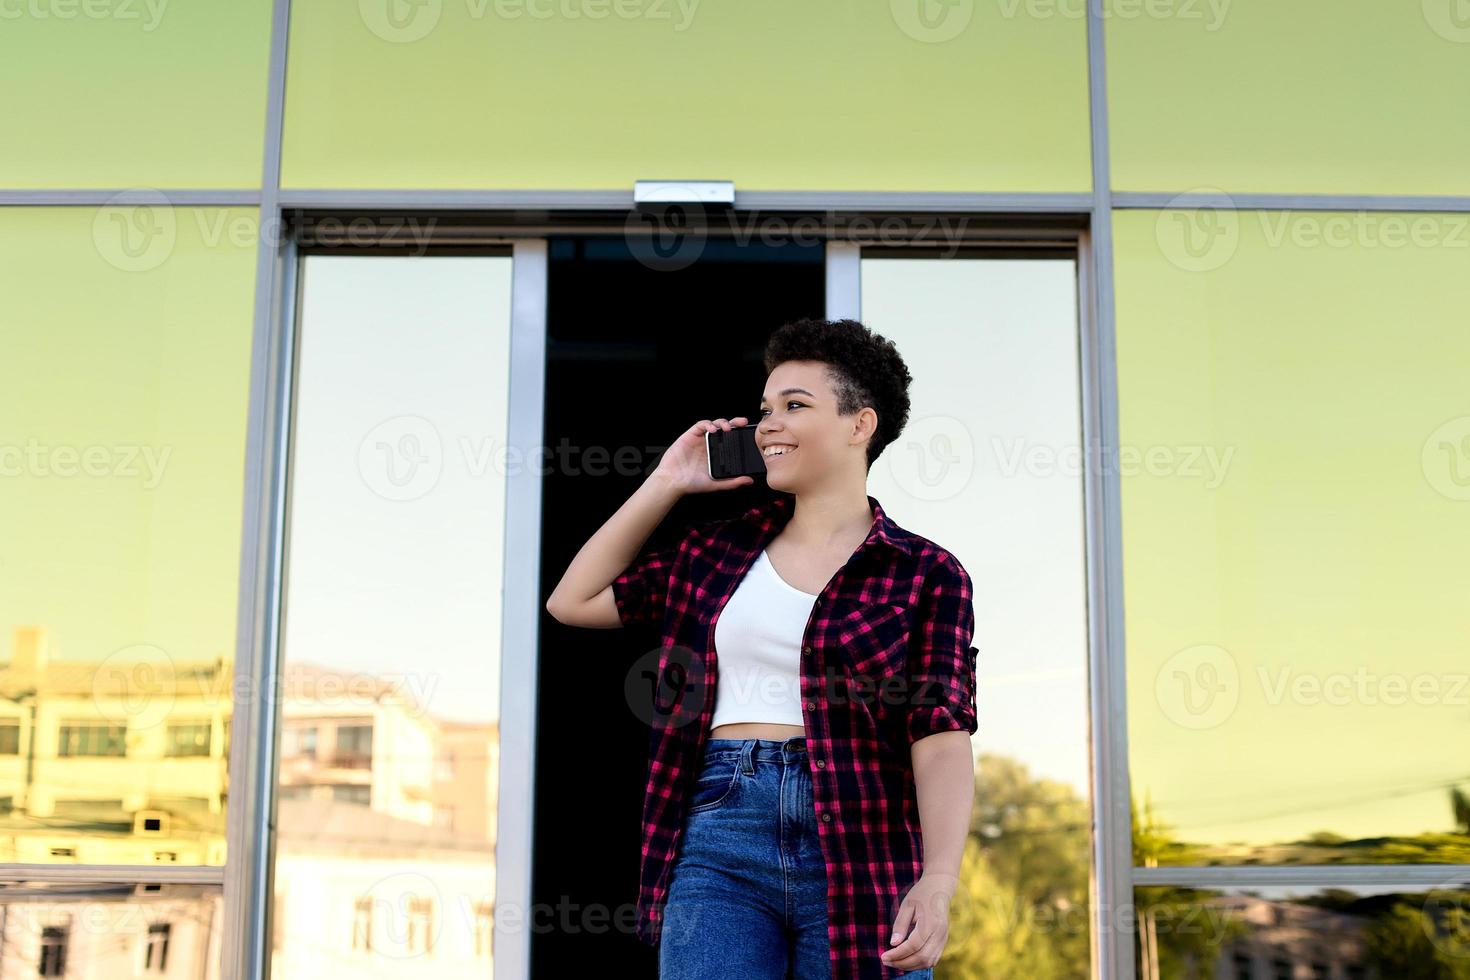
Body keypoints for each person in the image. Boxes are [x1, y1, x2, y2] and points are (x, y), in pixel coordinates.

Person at [547, 318, 978, 979]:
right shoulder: (713, 554)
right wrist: (667, 481)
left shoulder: (925, 572)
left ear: (860, 425)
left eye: (795, 407)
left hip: (866, 836)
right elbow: (572, 601)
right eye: (765, 410)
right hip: (722, 826)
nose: (768, 425)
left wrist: (940, 878)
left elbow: (941, 734)